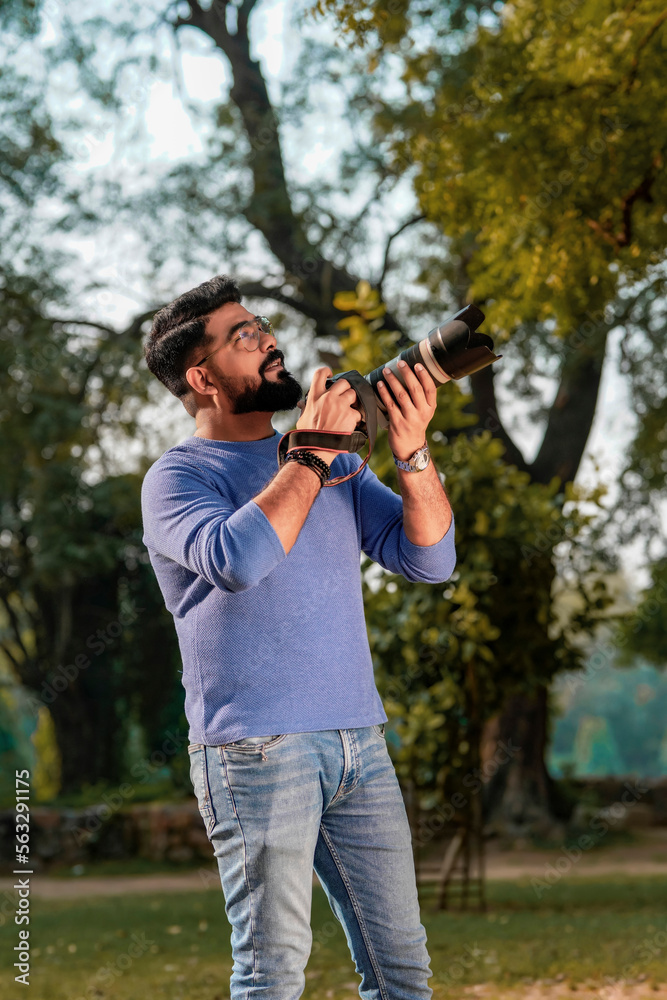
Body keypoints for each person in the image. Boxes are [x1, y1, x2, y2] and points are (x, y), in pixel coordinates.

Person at [141, 274, 456, 1000]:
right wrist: (307, 457)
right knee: (272, 972)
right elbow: (239, 560)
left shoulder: (335, 462)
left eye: (263, 326)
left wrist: (410, 454)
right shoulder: (177, 478)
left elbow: (430, 560)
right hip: (255, 751)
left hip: (359, 743)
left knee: (402, 970)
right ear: (202, 376)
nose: (269, 342)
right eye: (243, 336)